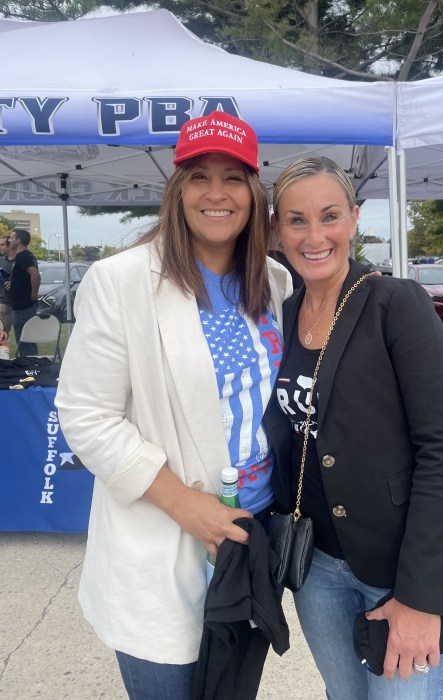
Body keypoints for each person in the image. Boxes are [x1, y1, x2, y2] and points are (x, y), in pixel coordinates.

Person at [55, 111, 292, 699]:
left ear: (253, 192)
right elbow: (86, 415)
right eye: (198, 176)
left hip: (250, 537)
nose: (216, 193)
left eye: (234, 177)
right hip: (163, 539)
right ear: (176, 189)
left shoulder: (276, 283)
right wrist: (187, 505)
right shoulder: (122, 281)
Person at [264, 156, 443, 699]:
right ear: (277, 228)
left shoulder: (396, 304)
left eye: (329, 216)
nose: (314, 236)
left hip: (400, 568)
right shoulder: (283, 317)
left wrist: (421, 597)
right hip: (318, 569)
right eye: (296, 220)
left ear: (355, 219)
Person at [7, 229, 39, 354]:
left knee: (23, 340)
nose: (9, 240)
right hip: (24, 304)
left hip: (23, 306)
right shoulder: (27, 255)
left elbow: (35, 275)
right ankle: (35, 364)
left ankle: (28, 366)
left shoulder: (22, 256)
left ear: (18, 240)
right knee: (29, 338)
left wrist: (33, 294)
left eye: (11, 237)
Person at [0, 234, 15, 334]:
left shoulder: (19, 261)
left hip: (12, 302)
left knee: (4, 335)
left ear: (9, 246)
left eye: (2, 245)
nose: (0, 247)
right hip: (2, 302)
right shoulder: (1, 261)